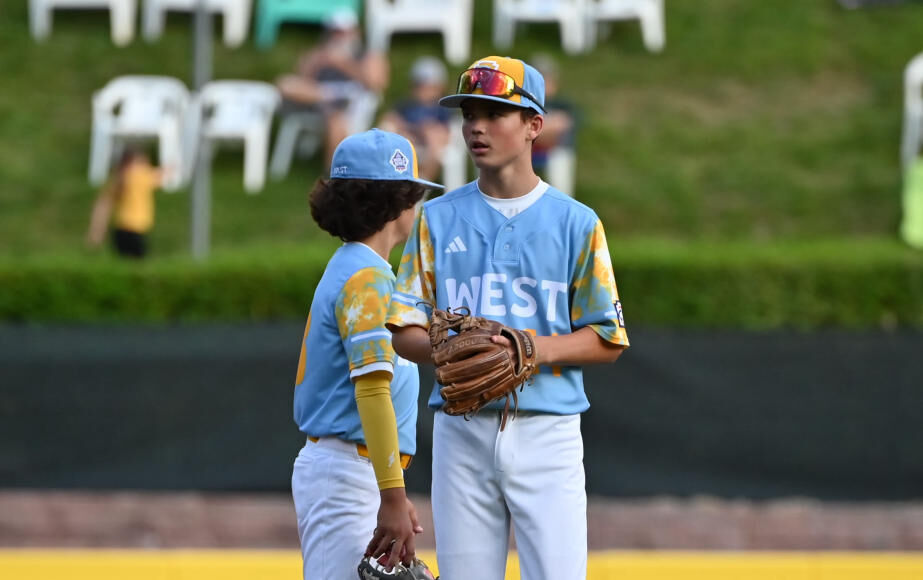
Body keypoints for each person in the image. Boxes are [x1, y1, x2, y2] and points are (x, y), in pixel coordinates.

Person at [385, 56, 630, 579]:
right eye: (469, 112)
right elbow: (402, 328)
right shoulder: (435, 217)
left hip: (548, 430)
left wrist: (530, 349)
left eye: (495, 112)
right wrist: (450, 350)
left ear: (533, 126)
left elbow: (608, 338)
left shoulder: (577, 223)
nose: (476, 125)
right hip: (461, 430)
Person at [291, 129, 443, 579]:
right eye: (413, 194)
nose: (416, 205)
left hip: (353, 469)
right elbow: (373, 390)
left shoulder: (358, 268)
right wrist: (392, 497)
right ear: (394, 202)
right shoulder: (367, 280)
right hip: (348, 473)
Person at [276, 9, 389, 169]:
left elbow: (375, 84)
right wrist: (317, 61)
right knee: (285, 83)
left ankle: (336, 174)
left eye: (344, 32)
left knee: (335, 120)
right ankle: (329, 96)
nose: (339, 36)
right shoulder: (318, 53)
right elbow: (302, 80)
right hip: (320, 96)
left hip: (353, 98)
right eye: (335, 32)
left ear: (355, 32)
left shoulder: (369, 56)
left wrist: (343, 63)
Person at [379, 56, 452, 183]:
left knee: (433, 136)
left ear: (440, 88)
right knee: (388, 129)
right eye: (420, 86)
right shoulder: (406, 105)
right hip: (409, 140)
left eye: (430, 87)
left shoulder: (442, 108)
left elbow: (446, 130)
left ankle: (422, 184)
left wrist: (428, 131)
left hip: (431, 145)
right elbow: (390, 119)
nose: (424, 91)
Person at [85, 147, 167, 259]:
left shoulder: (119, 178)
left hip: (120, 227)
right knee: (138, 266)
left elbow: (104, 204)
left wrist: (96, 231)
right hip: (137, 227)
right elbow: (164, 175)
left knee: (123, 263)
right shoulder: (141, 175)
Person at [530, 53, 580, 196]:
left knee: (560, 158)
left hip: (552, 150)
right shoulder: (522, 105)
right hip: (523, 151)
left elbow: (567, 126)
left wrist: (536, 132)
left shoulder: (563, 105)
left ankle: (563, 204)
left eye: (547, 79)